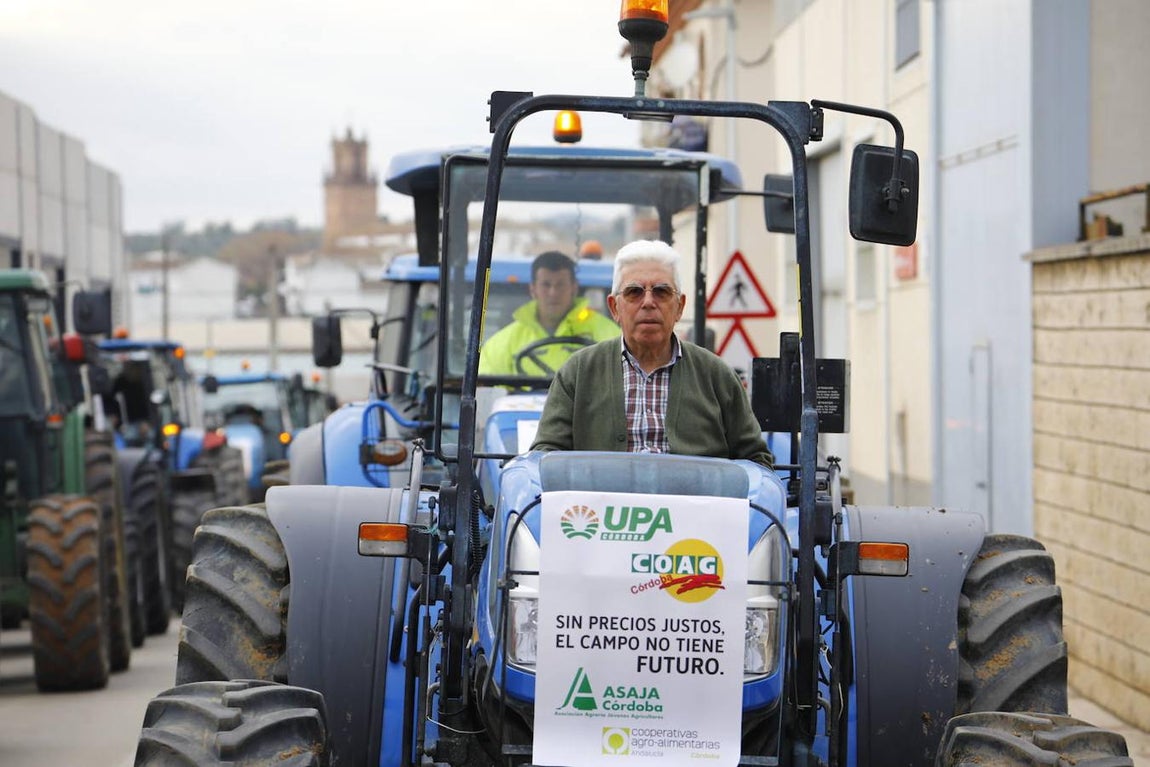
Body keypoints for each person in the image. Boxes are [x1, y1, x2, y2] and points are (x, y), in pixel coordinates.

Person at [531, 239, 772, 467]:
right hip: (602, 500)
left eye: (661, 292)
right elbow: (545, 457)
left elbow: (755, 461)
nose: (648, 302)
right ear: (615, 308)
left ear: (679, 307)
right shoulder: (577, 373)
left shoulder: (717, 376)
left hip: (693, 499)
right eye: (634, 292)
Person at [478, 250, 619, 376]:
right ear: (533, 289)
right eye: (546, 285)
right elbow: (486, 390)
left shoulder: (610, 337)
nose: (553, 293)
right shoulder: (500, 346)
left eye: (560, 285)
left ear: (574, 288)